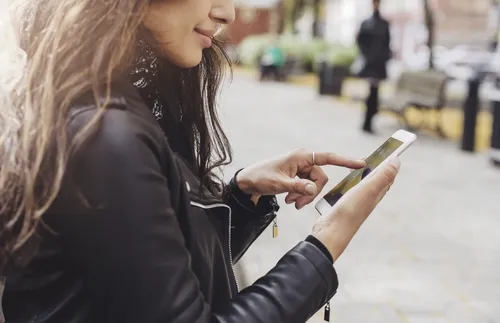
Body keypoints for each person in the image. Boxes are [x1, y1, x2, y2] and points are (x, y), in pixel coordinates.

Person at [0, 0, 400, 322]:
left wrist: (241, 198)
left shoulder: (103, 105)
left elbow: (157, 275)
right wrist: (324, 245)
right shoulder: (106, 133)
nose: (225, 12)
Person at [356, 0, 392, 134]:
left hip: (379, 64)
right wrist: (368, 56)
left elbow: (387, 43)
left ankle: (369, 120)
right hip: (370, 64)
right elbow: (360, 42)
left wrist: (384, 57)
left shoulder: (384, 24)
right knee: (371, 93)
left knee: (374, 93)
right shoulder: (366, 23)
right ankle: (367, 121)